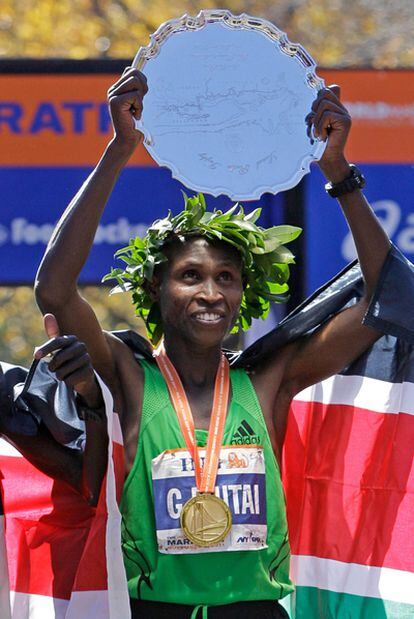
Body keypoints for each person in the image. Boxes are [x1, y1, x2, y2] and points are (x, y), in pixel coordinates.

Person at [34, 68, 391, 618]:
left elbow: (386, 298)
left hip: (255, 610)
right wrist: (119, 148)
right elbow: (55, 290)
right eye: (191, 275)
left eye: (227, 277)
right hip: (152, 609)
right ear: (156, 286)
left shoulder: (269, 382)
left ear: (243, 293)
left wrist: (336, 170)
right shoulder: (130, 378)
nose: (211, 292)